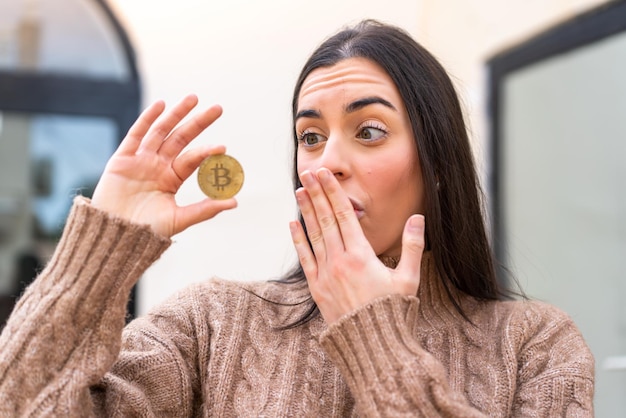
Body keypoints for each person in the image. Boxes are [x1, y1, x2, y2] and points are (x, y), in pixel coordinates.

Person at [0, 20, 594, 416]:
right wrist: (96, 256)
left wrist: (377, 339)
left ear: (437, 164)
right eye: (310, 137)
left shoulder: (535, 346)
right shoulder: (212, 324)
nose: (326, 162)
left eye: (369, 131)